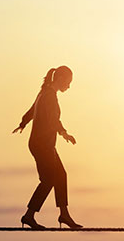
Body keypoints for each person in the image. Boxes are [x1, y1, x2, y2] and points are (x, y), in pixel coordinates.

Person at [13, 66, 82, 230]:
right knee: (49, 179)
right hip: (42, 145)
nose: (69, 86)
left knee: (59, 175)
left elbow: (31, 111)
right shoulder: (49, 96)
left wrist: (23, 123)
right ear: (61, 79)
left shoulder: (44, 92)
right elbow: (53, 121)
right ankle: (30, 216)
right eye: (68, 82)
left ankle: (63, 214)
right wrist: (65, 133)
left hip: (43, 144)